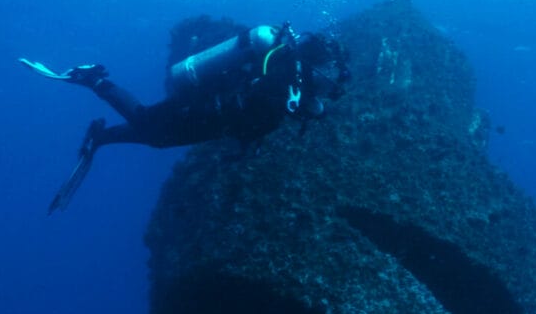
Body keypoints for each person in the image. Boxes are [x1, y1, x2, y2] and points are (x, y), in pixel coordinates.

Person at [19, 18, 350, 213]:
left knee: (157, 140)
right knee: (148, 121)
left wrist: (249, 142)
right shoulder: (284, 72)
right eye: (330, 73)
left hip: (215, 122)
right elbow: (261, 97)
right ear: (318, 64)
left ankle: (101, 137)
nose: (330, 84)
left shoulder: (294, 81)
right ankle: (94, 79)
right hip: (205, 106)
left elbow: (262, 116)